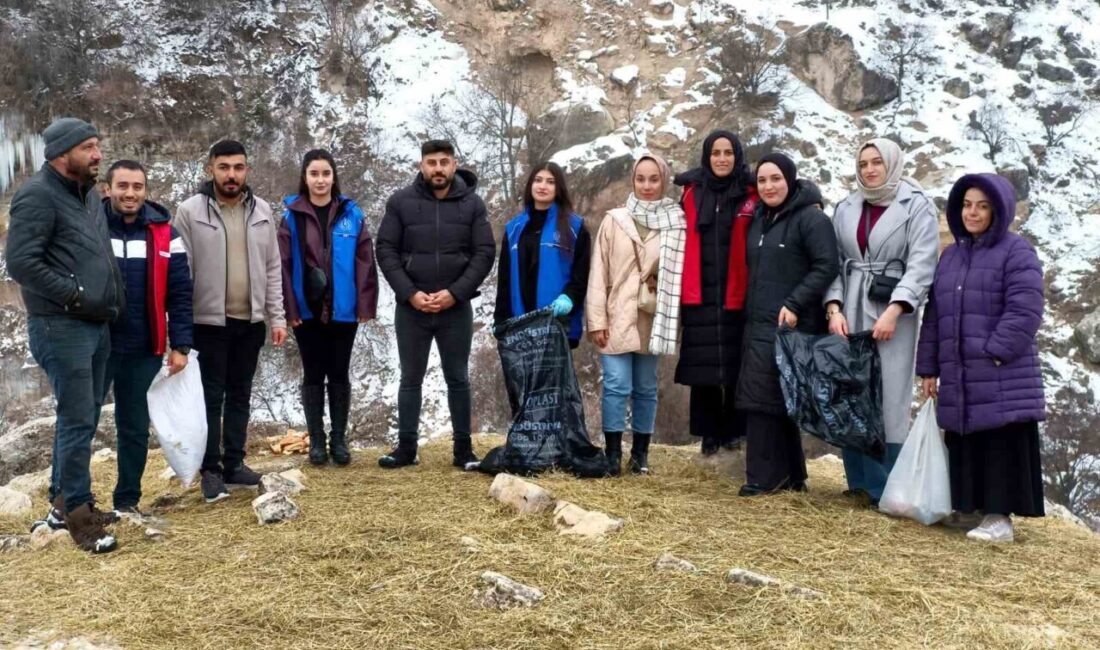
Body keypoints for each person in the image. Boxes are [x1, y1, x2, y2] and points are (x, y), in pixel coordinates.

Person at [6, 117, 125, 553]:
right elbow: (20, 263)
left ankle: (61, 503)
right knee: (77, 419)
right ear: (62, 153)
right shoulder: (36, 196)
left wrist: (111, 300)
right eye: (89, 147)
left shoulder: (88, 195)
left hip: (96, 323)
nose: (98, 155)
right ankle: (78, 516)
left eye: (98, 145)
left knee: (86, 416)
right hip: (61, 325)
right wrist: (74, 296)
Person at [916, 173, 1045, 543]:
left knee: (999, 440)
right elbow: (936, 314)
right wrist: (928, 367)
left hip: (998, 369)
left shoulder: (1017, 251)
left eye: (982, 206)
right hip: (959, 369)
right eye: (967, 204)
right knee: (964, 434)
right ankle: (968, 506)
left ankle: (999, 518)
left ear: (998, 210)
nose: (972, 213)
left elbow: (1026, 309)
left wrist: (995, 354)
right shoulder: (952, 255)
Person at [823, 139, 939, 507]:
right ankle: (857, 478)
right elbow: (835, 260)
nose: (870, 170)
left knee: (889, 392)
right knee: (851, 388)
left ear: (892, 164)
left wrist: (896, 309)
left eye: (877, 162)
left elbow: (922, 263)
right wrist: (834, 307)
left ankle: (886, 485)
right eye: (863, 164)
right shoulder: (846, 206)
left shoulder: (916, 206)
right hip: (851, 304)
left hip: (891, 309)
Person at [173, 140, 287, 503]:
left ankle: (235, 462)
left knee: (240, 394)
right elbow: (180, 272)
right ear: (211, 169)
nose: (231, 174)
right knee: (210, 398)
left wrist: (276, 316)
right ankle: (210, 470)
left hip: (250, 321)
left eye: (238, 167)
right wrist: (177, 326)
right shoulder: (190, 212)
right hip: (208, 322)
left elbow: (272, 269)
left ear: (247, 170)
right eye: (224, 167)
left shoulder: (263, 211)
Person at [374, 140, 495, 469]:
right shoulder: (400, 202)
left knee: (458, 378)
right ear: (421, 166)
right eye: (431, 162)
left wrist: (455, 293)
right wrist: (410, 293)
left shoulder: (472, 205)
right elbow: (385, 249)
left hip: (455, 308)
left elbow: (484, 253)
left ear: (455, 165)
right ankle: (406, 450)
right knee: (410, 378)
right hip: (412, 307)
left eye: (444, 162)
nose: (438, 168)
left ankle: (463, 452)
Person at [737, 153, 839, 496]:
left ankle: (762, 479)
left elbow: (826, 265)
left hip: (791, 323)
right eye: (763, 180)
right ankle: (793, 476)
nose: (769, 186)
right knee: (774, 398)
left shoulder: (811, 219)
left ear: (791, 180)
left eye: (776, 178)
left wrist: (795, 303)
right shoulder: (761, 219)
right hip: (759, 321)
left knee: (763, 399)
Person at [102, 160, 194, 514]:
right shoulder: (91, 227)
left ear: (146, 191)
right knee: (81, 422)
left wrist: (181, 344)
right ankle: (71, 502)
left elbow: (181, 292)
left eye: (137, 187)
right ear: (107, 189)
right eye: (122, 186)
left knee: (135, 427)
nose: (130, 193)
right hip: (97, 345)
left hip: (143, 346)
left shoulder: (165, 234)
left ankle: (127, 501)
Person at [586, 154, 686, 476]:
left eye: (653, 179)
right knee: (616, 384)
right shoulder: (614, 220)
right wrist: (597, 320)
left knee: (645, 387)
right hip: (616, 314)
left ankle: (640, 455)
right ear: (633, 181)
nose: (646, 185)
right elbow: (598, 273)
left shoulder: (676, 222)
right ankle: (613, 453)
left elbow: (682, 273)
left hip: (652, 316)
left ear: (663, 181)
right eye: (640, 178)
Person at [279, 149, 378, 466]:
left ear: (333, 177)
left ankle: (338, 438)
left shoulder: (352, 214)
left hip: (343, 308)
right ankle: (317, 440)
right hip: (306, 308)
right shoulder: (292, 216)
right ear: (304, 177)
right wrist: (288, 307)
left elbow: (365, 261)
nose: (320, 180)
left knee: (339, 371)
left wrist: (365, 302)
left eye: (325, 173)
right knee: (312, 373)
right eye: (314, 174)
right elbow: (282, 265)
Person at [672, 130, 758, 456]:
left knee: (739, 365)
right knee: (703, 367)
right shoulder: (691, 194)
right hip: (699, 291)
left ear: (737, 156)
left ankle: (735, 432)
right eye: (715, 153)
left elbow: (793, 190)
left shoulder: (752, 192)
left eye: (728, 153)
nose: (722, 159)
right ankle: (709, 435)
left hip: (740, 290)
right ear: (707, 157)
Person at [494, 162, 590, 347]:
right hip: (519, 326)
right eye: (538, 180)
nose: (542, 186)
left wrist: (569, 297)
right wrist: (500, 319)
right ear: (531, 185)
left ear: (559, 188)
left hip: (557, 323)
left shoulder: (575, 227)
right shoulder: (513, 228)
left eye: (550, 182)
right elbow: (504, 279)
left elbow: (582, 275)